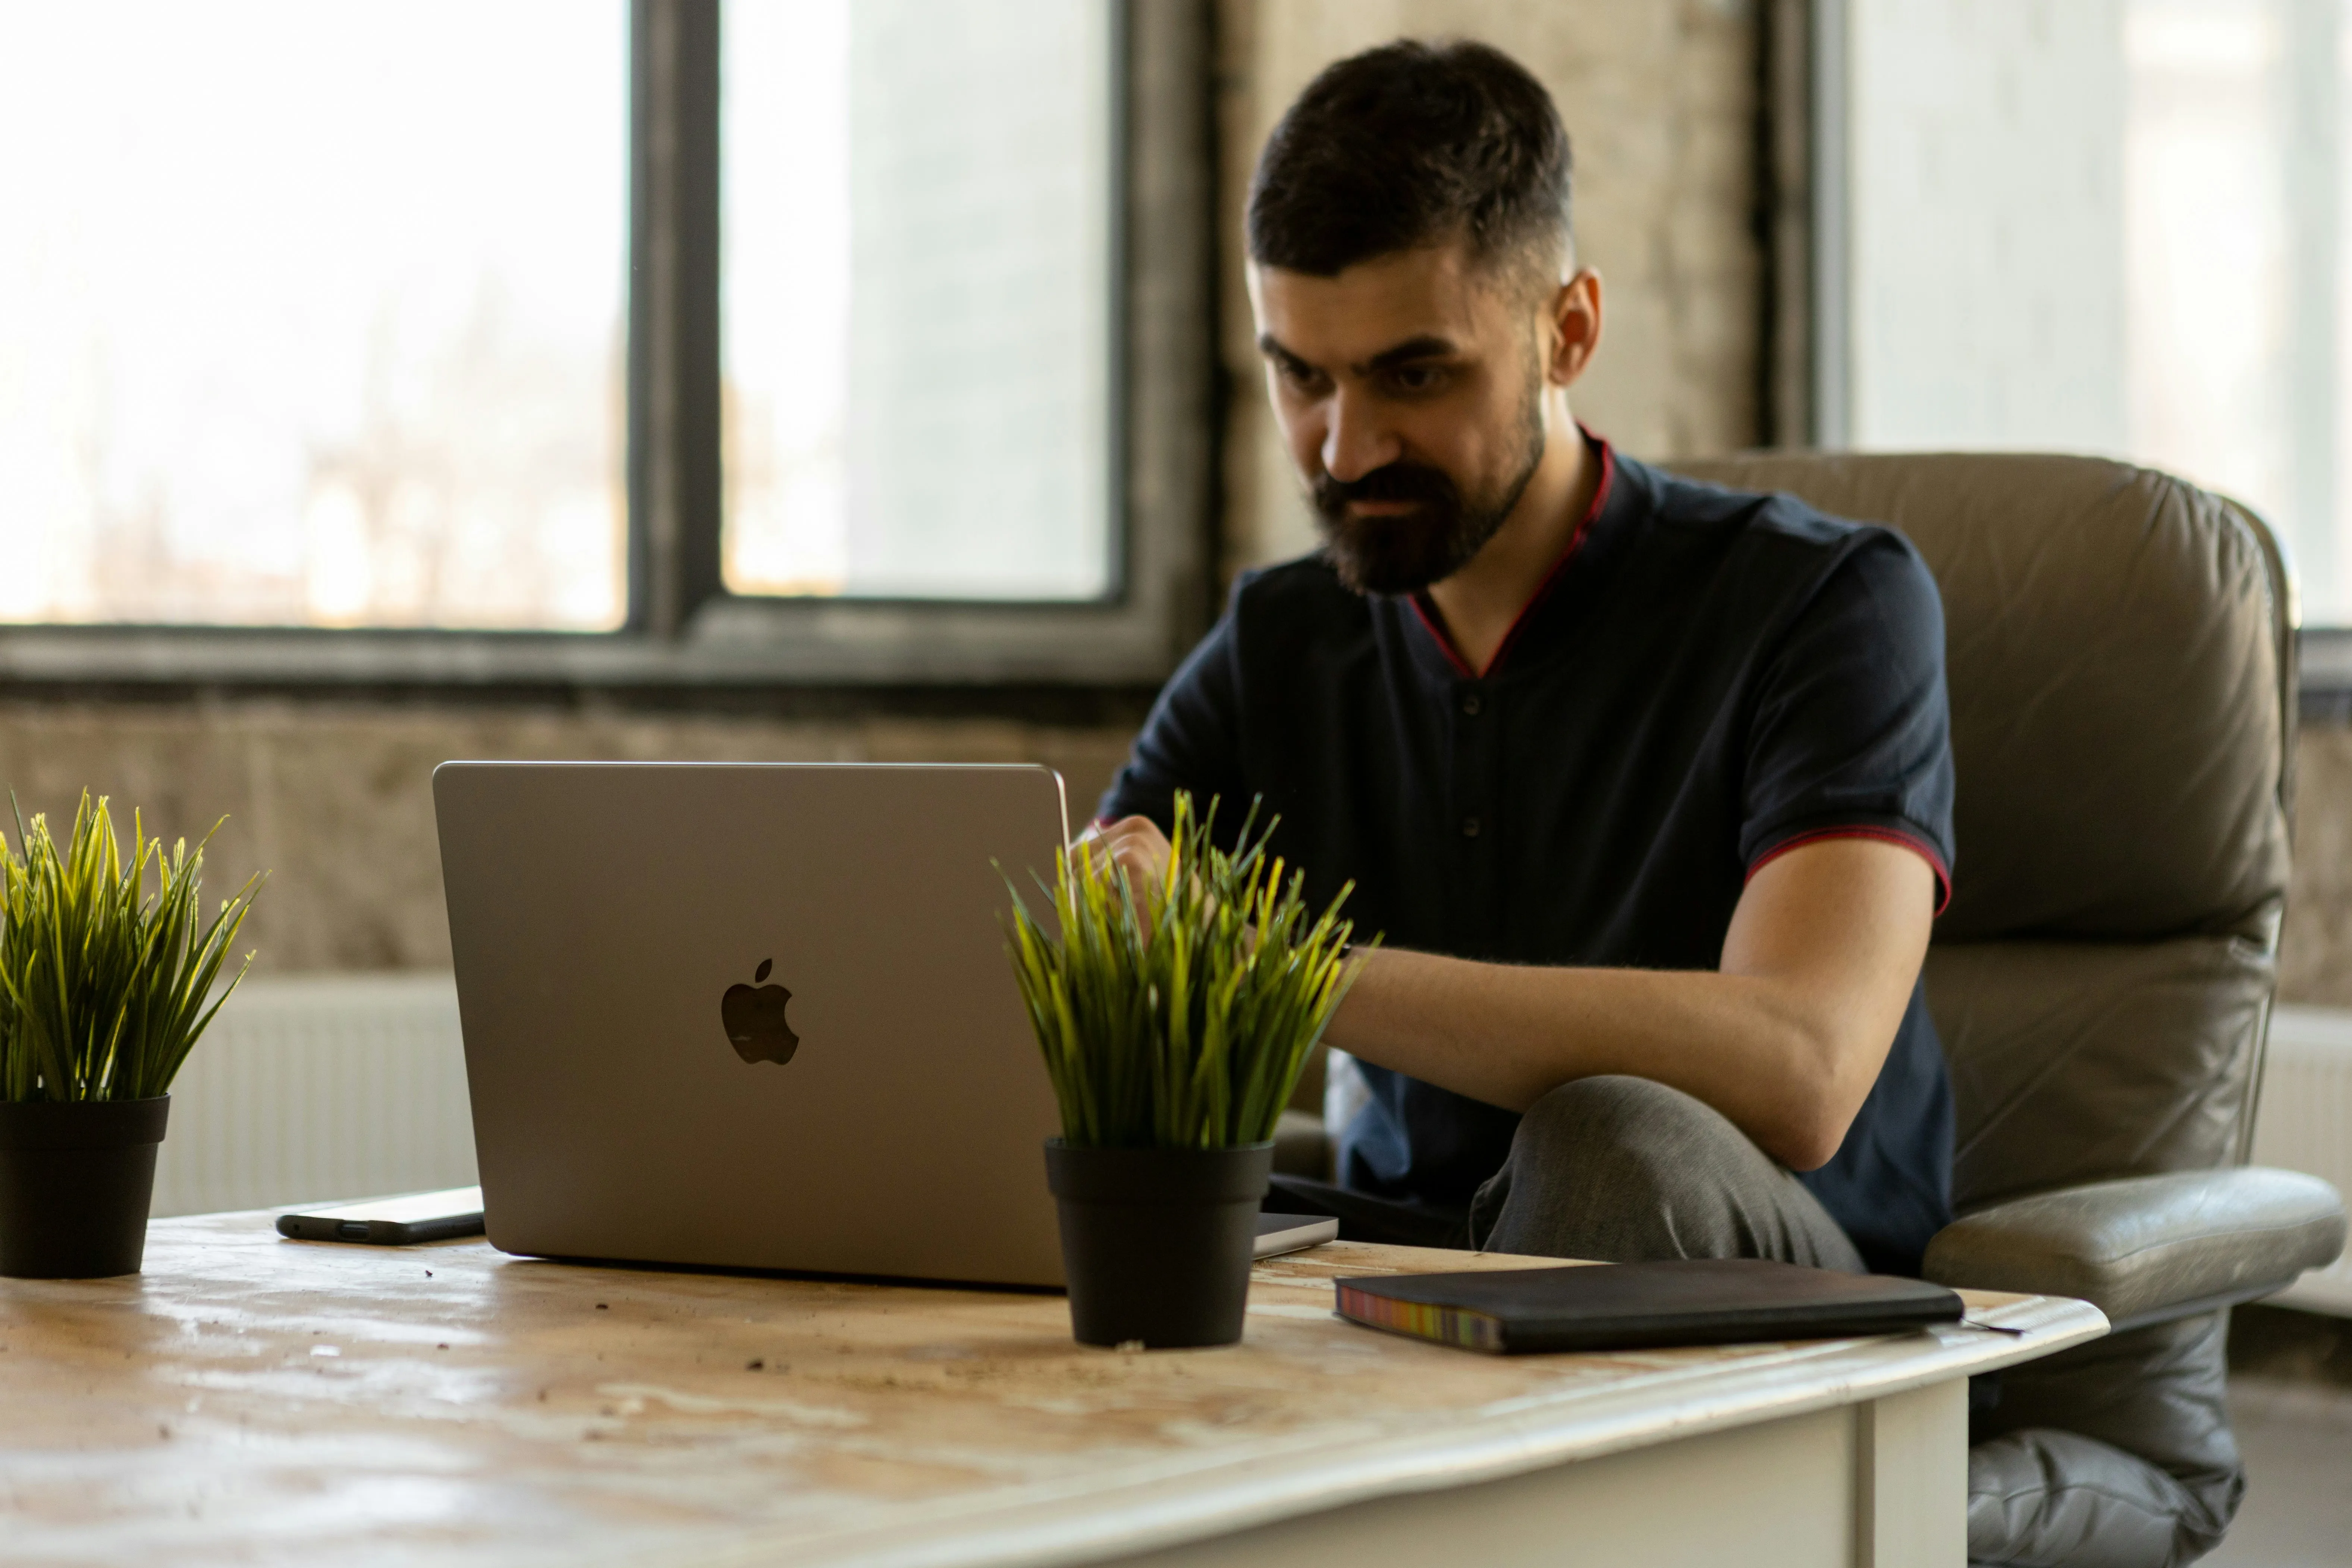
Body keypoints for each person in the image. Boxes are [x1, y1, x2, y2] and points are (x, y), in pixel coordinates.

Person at [1088, 38, 1956, 1278]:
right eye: (1301, 377)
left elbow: (1803, 1068)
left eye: (1416, 373)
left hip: (1789, 1299)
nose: (1342, 451)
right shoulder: (1277, 641)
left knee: (1607, 1146)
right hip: (1406, 1288)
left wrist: (1269, 962)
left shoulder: (1831, 602)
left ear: (1569, 331)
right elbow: (1098, 952)